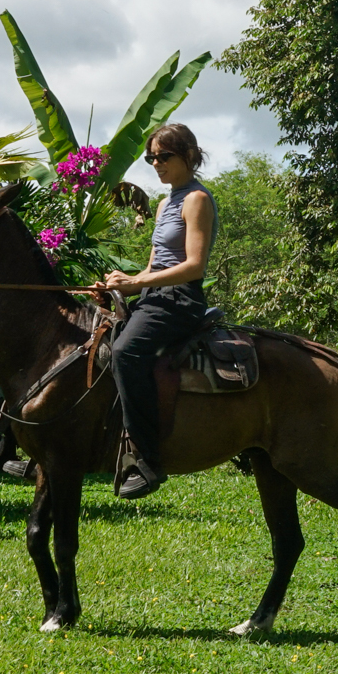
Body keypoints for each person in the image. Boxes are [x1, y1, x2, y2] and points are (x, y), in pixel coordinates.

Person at [97, 123, 216, 499]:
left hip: (180, 300)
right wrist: (125, 281)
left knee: (126, 351)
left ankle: (146, 460)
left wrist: (139, 282)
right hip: (156, 296)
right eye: (151, 157)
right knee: (94, 339)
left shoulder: (197, 199)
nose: (156, 163)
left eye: (164, 156)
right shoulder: (165, 203)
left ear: (190, 156)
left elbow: (195, 265)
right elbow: (153, 268)